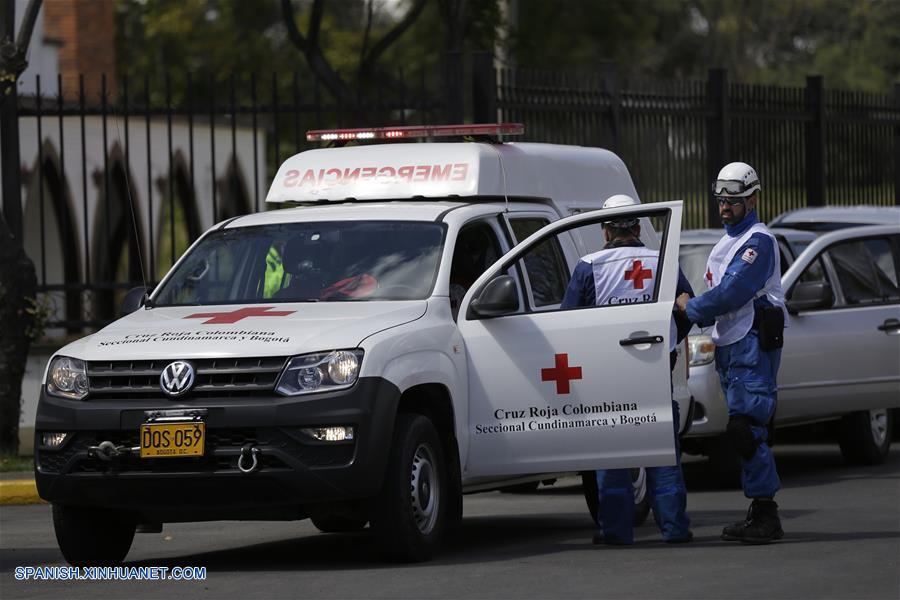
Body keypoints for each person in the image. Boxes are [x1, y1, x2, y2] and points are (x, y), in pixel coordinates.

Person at [561, 194, 694, 545]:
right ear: (638, 226)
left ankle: (616, 532)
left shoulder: (588, 266)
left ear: (604, 231)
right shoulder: (662, 261)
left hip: (608, 377)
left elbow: (566, 324)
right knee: (663, 455)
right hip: (654, 372)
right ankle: (675, 529)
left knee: (613, 457)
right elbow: (687, 310)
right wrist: (666, 343)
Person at [675, 162, 787, 544]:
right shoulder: (727, 242)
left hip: (752, 345)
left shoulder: (758, 241)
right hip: (732, 345)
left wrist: (689, 308)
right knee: (743, 430)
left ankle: (766, 513)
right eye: (722, 200)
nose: (725, 207)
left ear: (753, 199)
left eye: (734, 201)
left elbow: (733, 291)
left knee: (747, 430)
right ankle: (759, 509)